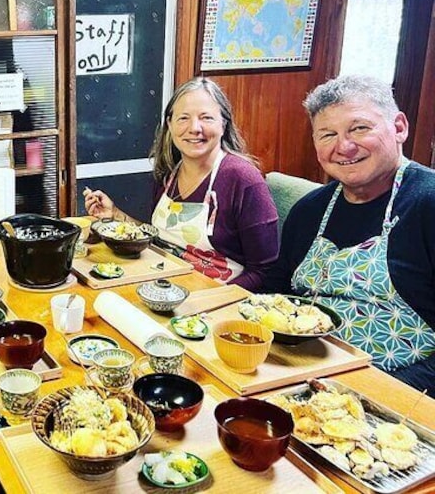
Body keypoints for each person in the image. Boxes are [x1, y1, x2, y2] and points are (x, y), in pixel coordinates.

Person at [264, 75, 435, 396]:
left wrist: (370, 392)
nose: (343, 146)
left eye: (359, 128)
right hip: (293, 374)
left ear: (399, 127)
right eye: (327, 134)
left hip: (393, 393)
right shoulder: (310, 210)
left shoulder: (428, 202)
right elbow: (275, 291)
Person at [84, 77, 279, 291]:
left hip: (216, 303)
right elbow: (159, 239)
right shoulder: (169, 174)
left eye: (206, 118)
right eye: (183, 118)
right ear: (170, 124)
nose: (194, 128)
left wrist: (206, 301)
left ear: (224, 124)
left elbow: (265, 272)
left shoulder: (243, 180)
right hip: (163, 289)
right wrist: (116, 215)